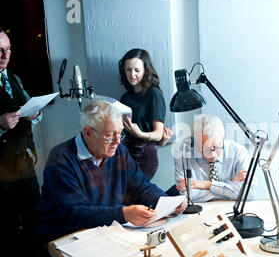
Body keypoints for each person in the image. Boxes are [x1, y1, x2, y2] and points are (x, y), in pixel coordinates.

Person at [37, 99, 187, 243]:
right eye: (109, 136)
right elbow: (76, 214)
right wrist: (124, 213)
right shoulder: (61, 159)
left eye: (120, 133)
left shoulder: (118, 150)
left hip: (103, 232)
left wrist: (167, 202)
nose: (117, 141)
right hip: (66, 240)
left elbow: (141, 186)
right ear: (88, 133)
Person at [0, 28, 43, 257]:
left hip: (24, 164)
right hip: (0, 173)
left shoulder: (13, 78)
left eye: (8, 50)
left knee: (36, 220)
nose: (5, 55)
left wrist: (34, 114)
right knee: (7, 231)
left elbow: (32, 113)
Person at [174, 114, 256, 202]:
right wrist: (229, 187)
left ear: (223, 136)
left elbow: (249, 193)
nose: (213, 155)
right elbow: (187, 195)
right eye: (205, 150)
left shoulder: (239, 151)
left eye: (216, 148)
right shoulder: (184, 154)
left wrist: (205, 185)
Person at [118, 48, 172, 180]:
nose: (132, 74)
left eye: (137, 70)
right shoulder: (125, 97)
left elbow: (158, 134)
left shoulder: (154, 94)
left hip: (144, 155)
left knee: (135, 194)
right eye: (128, 70)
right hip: (125, 152)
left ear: (145, 71)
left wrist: (139, 134)